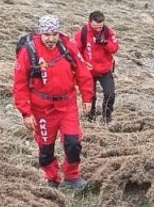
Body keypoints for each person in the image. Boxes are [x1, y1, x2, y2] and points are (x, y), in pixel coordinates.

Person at [14, 15, 94, 189]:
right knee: (45, 149)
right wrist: (26, 113)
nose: (51, 39)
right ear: (40, 33)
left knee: (73, 144)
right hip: (42, 109)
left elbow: (82, 72)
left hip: (67, 106)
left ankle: (72, 175)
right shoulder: (29, 52)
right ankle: (53, 178)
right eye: (47, 34)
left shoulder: (67, 47)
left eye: (55, 34)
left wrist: (87, 97)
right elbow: (20, 84)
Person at [77, 11, 120, 123]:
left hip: (105, 69)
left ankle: (106, 117)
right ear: (89, 23)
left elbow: (115, 48)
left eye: (100, 27)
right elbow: (75, 51)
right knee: (90, 96)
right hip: (89, 71)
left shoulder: (108, 32)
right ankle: (90, 117)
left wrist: (105, 43)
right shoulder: (83, 33)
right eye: (95, 27)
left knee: (110, 93)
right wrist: (83, 63)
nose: (98, 29)